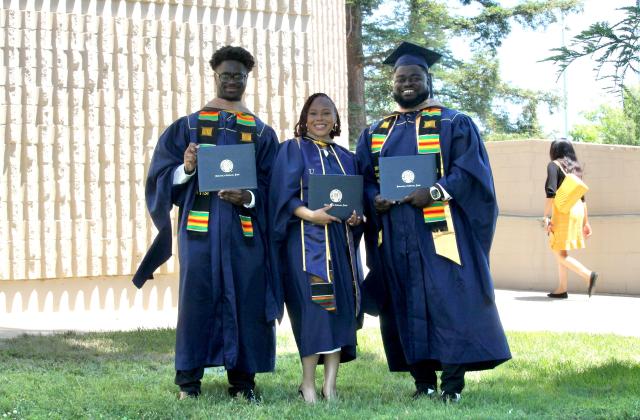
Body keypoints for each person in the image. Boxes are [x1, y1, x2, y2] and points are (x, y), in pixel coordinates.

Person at [355, 42, 511, 403]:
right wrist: (374, 197)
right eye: (400, 78)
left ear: (428, 79)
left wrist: (436, 192)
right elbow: (363, 177)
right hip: (394, 233)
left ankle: (452, 385)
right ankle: (422, 380)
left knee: (449, 300)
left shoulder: (454, 122)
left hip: (442, 231)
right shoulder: (377, 131)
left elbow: (470, 172)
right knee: (403, 302)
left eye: (414, 76)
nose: (407, 83)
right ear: (392, 84)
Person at [132, 46, 281, 402]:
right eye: (226, 74)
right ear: (214, 76)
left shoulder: (260, 132)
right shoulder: (188, 126)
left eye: (239, 75)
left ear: (248, 79)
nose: (232, 80)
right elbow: (159, 176)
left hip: (244, 234)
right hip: (199, 232)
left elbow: (273, 185)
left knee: (246, 300)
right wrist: (185, 168)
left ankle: (243, 383)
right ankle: (188, 383)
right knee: (197, 301)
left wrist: (248, 198)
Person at [269, 93, 363, 403]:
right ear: (304, 117)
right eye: (313, 113)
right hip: (305, 241)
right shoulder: (292, 150)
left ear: (336, 119)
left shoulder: (346, 157)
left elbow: (356, 206)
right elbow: (281, 197)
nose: (319, 118)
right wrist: (310, 214)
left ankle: (330, 386)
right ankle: (308, 383)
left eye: (326, 113)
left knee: (339, 311)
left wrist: (354, 216)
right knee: (314, 310)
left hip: (340, 243)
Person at [543, 139, 598, 299]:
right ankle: (561, 288)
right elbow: (582, 198)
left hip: (562, 212)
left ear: (554, 150)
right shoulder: (576, 168)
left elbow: (551, 192)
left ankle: (589, 275)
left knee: (558, 252)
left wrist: (546, 216)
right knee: (562, 250)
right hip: (578, 211)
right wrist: (586, 222)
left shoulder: (553, 165)